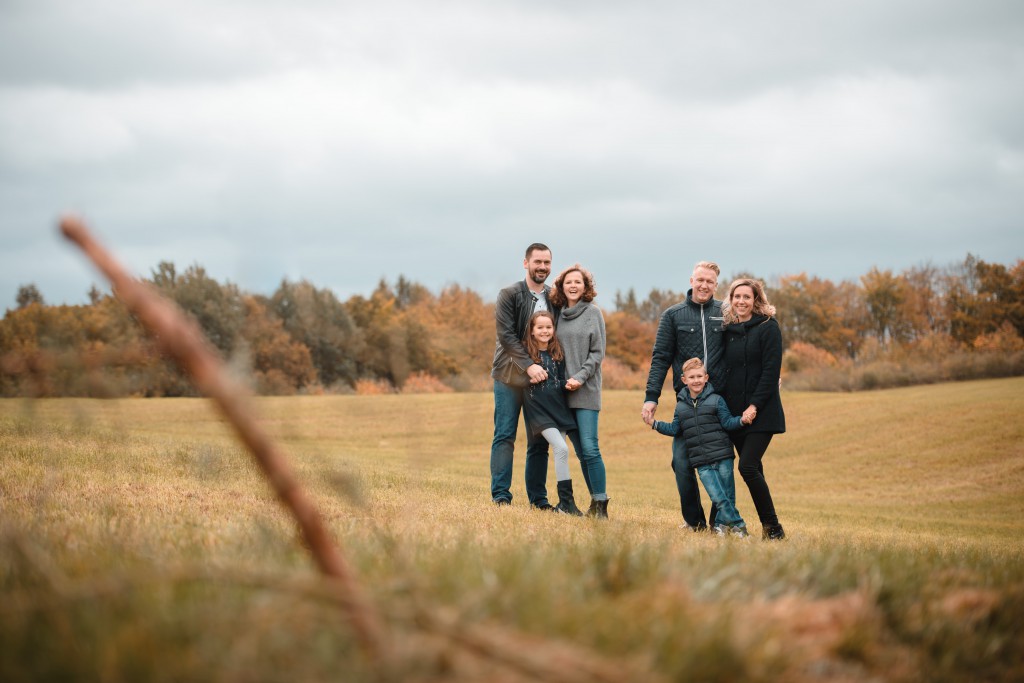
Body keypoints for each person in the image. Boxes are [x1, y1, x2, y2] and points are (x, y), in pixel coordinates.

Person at [641, 261, 725, 531]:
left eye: (709, 281)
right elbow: (660, 358)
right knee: (681, 462)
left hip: (720, 401)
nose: (704, 285)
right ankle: (694, 521)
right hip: (686, 403)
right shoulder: (673, 315)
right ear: (691, 280)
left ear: (716, 284)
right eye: (700, 280)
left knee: (720, 465)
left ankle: (719, 522)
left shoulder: (726, 312)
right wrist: (651, 397)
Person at [490, 243, 558, 509]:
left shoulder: (555, 298)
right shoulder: (509, 294)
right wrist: (529, 365)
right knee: (505, 435)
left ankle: (539, 500)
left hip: (541, 380)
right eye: (537, 262)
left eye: (547, 263)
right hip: (509, 375)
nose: (542, 267)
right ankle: (501, 497)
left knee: (540, 440)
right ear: (526, 263)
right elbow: (506, 336)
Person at [650, 358, 750, 537]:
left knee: (727, 495)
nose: (696, 380)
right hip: (701, 461)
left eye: (699, 376)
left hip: (723, 456)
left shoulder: (717, 400)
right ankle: (740, 526)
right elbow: (675, 429)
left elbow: (727, 423)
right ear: (684, 380)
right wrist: (654, 423)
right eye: (692, 377)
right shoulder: (680, 407)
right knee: (718, 498)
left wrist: (742, 420)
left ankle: (722, 526)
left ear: (706, 378)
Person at [721, 278, 787, 540]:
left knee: (747, 467)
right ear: (731, 299)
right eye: (737, 297)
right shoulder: (728, 330)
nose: (741, 301)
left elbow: (771, 373)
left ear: (756, 299)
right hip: (735, 415)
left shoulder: (769, 328)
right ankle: (769, 530)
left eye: (746, 297)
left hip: (762, 412)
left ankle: (774, 527)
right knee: (754, 469)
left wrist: (754, 406)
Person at [549, 264, 610, 519]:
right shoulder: (558, 314)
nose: (573, 285)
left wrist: (580, 377)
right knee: (578, 451)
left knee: (590, 447)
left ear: (586, 287)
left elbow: (598, 353)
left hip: (585, 390)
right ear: (562, 287)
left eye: (578, 282)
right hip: (562, 392)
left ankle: (601, 504)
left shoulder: (593, 313)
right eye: (568, 282)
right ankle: (593, 504)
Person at [521, 311, 584, 516]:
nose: (545, 331)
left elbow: (557, 381)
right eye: (540, 327)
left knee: (561, 454)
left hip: (558, 408)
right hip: (538, 411)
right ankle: (566, 502)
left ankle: (566, 504)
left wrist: (570, 384)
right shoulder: (525, 356)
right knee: (561, 448)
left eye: (548, 327)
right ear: (532, 331)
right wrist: (526, 380)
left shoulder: (557, 353)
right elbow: (514, 379)